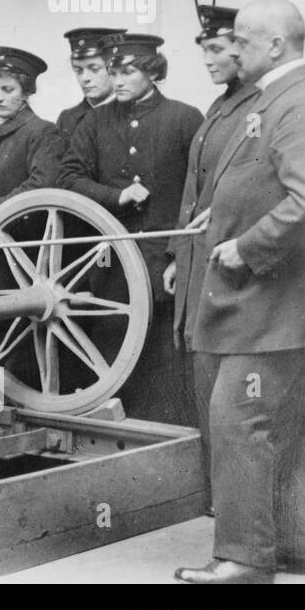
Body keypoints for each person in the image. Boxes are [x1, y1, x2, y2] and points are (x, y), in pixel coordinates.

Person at [175, 0, 305, 585]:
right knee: (274, 430)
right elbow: (263, 182)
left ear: (275, 46)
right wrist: (221, 216)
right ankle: (287, 545)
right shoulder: (270, 99)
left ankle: (246, 561)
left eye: (244, 42)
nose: (232, 50)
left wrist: (247, 247)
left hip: (271, 309)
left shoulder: (293, 102)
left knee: (238, 423)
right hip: (263, 309)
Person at [61, 32, 203, 426]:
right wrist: (117, 196)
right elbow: (68, 177)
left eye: (128, 72)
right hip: (111, 265)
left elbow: (200, 194)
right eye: (114, 72)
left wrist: (178, 255)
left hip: (163, 264)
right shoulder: (95, 121)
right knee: (113, 347)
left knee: (164, 359)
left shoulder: (185, 118)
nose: (118, 80)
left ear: (153, 72)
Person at [163, 7, 260, 496]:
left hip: (230, 266)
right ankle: (217, 496)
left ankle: (231, 501)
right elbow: (194, 193)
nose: (207, 59)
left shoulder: (258, 109)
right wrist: (179, 255)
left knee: (229, 392)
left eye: (216, 49)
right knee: (203, 379)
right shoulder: (221, 106)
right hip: (199, 262)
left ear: (242, 50)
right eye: (203, 51)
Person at [0, 47, 65, 240]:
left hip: (14, 244)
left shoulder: (42, 132)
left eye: (8, 90)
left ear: (26, 93)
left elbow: (41, 187)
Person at [55, 28, 125, 138]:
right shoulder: (67, 119)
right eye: (78, 70)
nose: (85, 78)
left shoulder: (133, 114)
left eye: (94, 69)